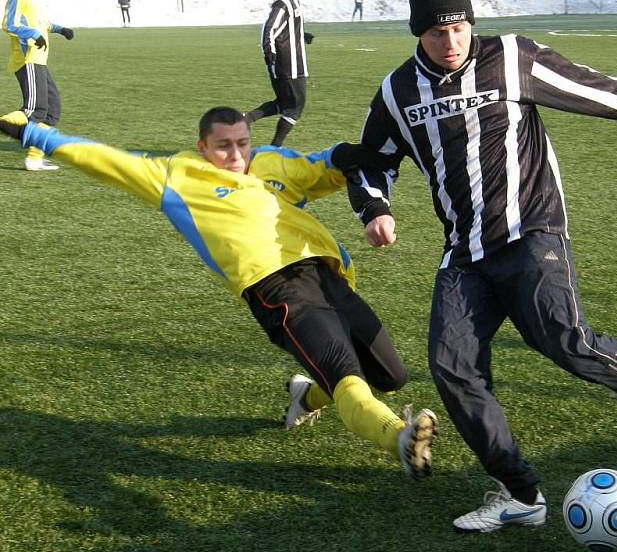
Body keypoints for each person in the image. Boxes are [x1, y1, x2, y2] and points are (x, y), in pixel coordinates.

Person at [347, 0, 617, 533]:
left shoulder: (509, 56)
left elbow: (578, 84)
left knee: (570, 344)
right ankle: (521, 494)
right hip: (464, 252)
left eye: (460, 26)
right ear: (419, 32)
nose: (452, 40)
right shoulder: (398, 92)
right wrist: (375, 208)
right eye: (439, 31)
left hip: (532, 231)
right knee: (453, 368)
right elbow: (372, 158)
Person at [0, 107, 439, 481]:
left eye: (242, 142)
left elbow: (320, 169)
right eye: (223, 145)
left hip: (328, 276)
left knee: (391, 377)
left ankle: (304, 397)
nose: (235, 155)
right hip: (275, 288)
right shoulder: (177, 175)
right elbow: (102, 158)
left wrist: (344, 157)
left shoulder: (269, 161)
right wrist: (32, 132)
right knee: (347, 377)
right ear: (202, 146)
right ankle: (397, 436)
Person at [2, 0, 74, 171]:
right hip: (28, 59)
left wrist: (59, 29)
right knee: (35, 110)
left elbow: (40, 23)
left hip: (39, 60)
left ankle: (34, 158)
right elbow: (9, 24)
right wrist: (33, 35)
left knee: (51, 109)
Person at [244, 0, 314, 147]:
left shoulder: (293, 0)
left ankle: (246, 119)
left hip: (291, 63)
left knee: (284, 102)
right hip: (289, 64)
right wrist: (269, 52)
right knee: (295, 107)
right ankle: (274, 148)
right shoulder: (283, 2)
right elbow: (269, 28)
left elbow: (286, 27)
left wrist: (301, 35)